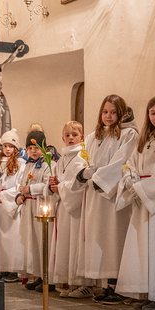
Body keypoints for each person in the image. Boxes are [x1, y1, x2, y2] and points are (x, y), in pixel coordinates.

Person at [115, 96, 155, 310]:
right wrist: (130, 180)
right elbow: (130, 164)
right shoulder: (144, 139)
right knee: (141, 248)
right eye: (152, 113)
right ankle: (145, 292)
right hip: (141, 197)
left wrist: (143, 187)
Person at [75, 94, 139, 304]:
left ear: (120, 113)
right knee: (100, 239)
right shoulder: (92, 137)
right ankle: (106, 285)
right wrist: (83, 173)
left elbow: (122, 161)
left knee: (114, 238)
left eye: (113, 112)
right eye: (105, 112)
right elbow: (82, 159)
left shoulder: (128, 134)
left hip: (113, 195)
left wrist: (99, 179)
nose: (108, 116)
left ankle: (118, 286)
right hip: (94, 196)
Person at [49, 121, 91, 298]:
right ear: (62, 138)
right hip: (64, 206)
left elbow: (81, 183)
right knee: (65, 243)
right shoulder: (63, 159)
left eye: (74, 135)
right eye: (67, 135)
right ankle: (69, 281)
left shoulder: (83, 157)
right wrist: (54, 185)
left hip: (76, 208)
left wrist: (61, 187)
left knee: (76, 243)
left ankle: (83, 284)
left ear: (82, 137)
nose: (71, 138)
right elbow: (61, 180)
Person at [0, 129, 25, 281]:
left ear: (16, 148)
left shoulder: (20, 164)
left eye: (11, 146)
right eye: (5, 146)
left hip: (11, 205)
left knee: (12, 238)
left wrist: (3, 194)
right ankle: (2, 267)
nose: (7, 149)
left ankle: (13, 269)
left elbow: (20, 185)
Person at [15, 130, 52, 291]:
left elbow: (47, 185)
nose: (33, 151)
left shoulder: (48, 164)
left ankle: (48, 277)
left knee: (43, 241)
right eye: (30, 148)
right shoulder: (28, 165)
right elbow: (22, 183)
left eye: (36, 148)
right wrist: (20, 195)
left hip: (40, 205)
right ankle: (39, 275)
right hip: (28, 206)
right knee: (32, 244)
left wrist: (30, 189)